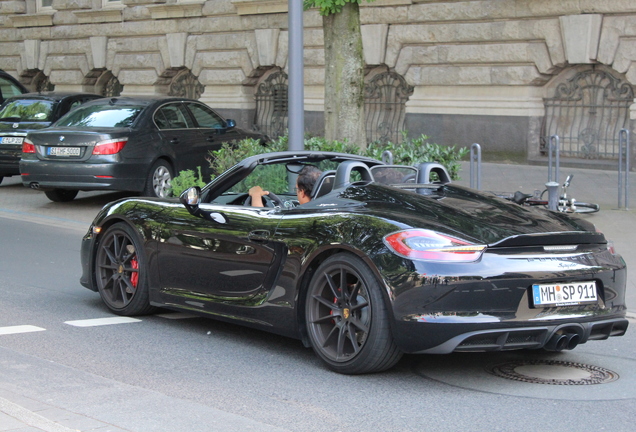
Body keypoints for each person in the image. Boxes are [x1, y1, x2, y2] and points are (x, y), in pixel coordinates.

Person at [249, 165, 322, 207]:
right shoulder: (330, 211)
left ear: (302, 193)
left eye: (296, 189)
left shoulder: (302, 216)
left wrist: (256, 195)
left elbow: (262, 223)